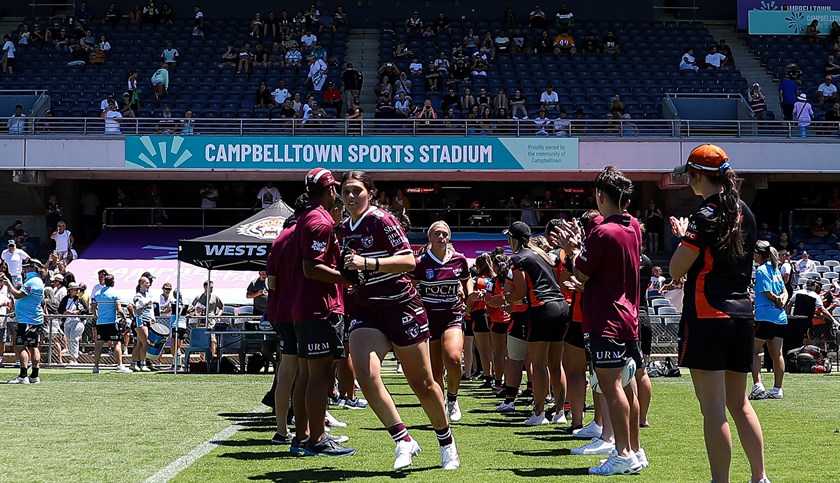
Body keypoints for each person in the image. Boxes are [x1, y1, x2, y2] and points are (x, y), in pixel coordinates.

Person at [340, 170, 460, 470]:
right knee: (366, 376)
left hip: (401, 306)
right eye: (346, 192)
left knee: (423, 383)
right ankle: (403, 439)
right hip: (366, 308)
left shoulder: (382, 219)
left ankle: (446, 443)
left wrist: (368, 263)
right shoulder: (343, 229)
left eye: (357, 190)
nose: (351, 196)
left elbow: (408, 261)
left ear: (370, 193)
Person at [669, 144, 768, 483]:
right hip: (742, 315)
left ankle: (720, 481)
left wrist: (683, 238)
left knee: (712, 407)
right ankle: (760, 477)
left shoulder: (704, 216)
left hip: (708, 314)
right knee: (739, 404)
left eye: (690, 176)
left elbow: (675, 268)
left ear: (697, 176)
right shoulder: (746, 212)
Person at [554, 166, 645, 475]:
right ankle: (634, 449)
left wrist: (573, 248)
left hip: (606, 318)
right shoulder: (633, 226)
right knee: (627, 386)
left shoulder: (603, 231)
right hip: (628, 316)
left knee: (611, 385)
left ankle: (622, 453)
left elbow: (581, 272)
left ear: (600, 196)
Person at [293, 167, 355, 457]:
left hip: (306, 306)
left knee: (307, 375)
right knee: (320, 375)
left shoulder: (306, 217)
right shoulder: (320, 221)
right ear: (331, 190)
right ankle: (317, 439)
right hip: (320, 307)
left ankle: (303, 436)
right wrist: (348, 278)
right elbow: (312, 267)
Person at [500, 221, 569, 426]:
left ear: (513, 238)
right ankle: (560, 412)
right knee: (556, 364)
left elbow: (520, 291)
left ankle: (538, 413)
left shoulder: (518, 257)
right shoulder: (542, 253)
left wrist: (509, 298)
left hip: (542, 309)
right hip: (561, 306)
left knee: (538, 364)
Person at [411, 221, 470, 422]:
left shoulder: (459, 260)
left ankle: (453, 398)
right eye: (436, 233)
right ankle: (441, 406)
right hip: (428, 318)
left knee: (453, 358)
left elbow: (466, 279)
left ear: (449, 237)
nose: (441, 237)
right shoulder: (420, 263)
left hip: (452, 315)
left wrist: (468, 294)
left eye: (444, 234)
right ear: (429, 237)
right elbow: (410, 287)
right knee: (436, 371)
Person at [749, 240, 788, 401]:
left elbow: (767, 292)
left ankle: (758, 385)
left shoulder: (761, 270)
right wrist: (781, 302)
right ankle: (777, 389)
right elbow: (784, 291)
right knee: (777, 354)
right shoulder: (775, 269)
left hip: (764, 316)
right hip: (780, 317)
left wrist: (777, 299)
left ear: (758, 254)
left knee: (753, 351)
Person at [2, 259, 45, 383]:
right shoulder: (36, 281)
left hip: (27, 320)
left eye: (26, 268)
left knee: (20, 346)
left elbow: (17, 294)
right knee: (33, 346)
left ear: (31, 268)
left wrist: (8, 283)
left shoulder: (33, 281)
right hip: (32, 319)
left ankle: (23, 376)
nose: (24, 270)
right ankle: (34, 376)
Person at [91, 274, 132, 373]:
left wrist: (96, 316)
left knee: (99, 345)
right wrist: (124, 318)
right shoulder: (114, 293)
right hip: (111, 323)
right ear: (113, 282)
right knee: (117, 343)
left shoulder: (97, 293)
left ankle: (96, 367)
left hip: (100, 323)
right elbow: (119, 309)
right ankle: (119, 366)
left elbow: (93, 308)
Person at [59, 282, 89, 365]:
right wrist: (65, 312)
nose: (76, 291)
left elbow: (86, 309)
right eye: (74, 289)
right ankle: (72, 356)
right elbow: (60, 309)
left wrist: (77, 312)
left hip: (77, 320)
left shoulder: (79, 299)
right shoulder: (65, 299)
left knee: (74, 338)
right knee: (69, 339)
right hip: (67, 321)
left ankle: (74, 358)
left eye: (77, 289)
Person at [130, 275, 154, 372]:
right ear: (141, 284)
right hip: (140, 321)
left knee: (140, 344)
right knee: (145, 342)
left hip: (147, 320)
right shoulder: (138, 296)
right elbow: (138, 309)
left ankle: (133, 363)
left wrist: (153, 317)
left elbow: (151, 308)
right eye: (146, 283)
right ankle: (142, 364)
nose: (148, 285)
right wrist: (144, 303)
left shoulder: (148, 295)